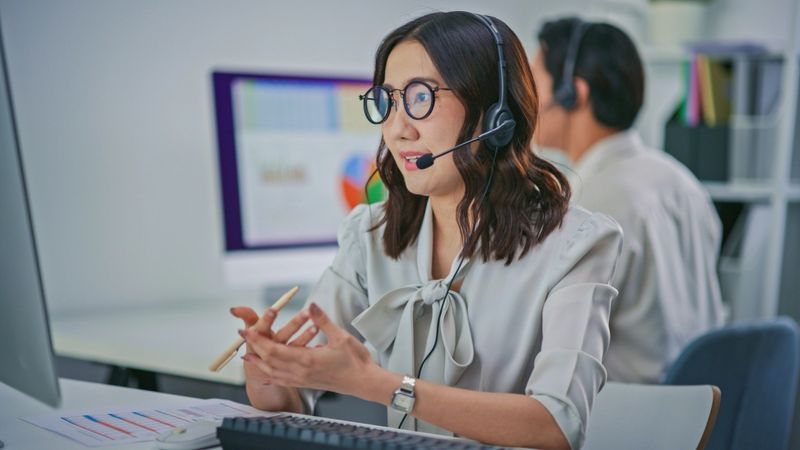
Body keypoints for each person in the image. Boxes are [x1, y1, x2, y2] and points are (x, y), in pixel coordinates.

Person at [231, 11, 622, 450]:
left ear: (494, 115)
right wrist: (271, 377)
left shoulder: (576, 245)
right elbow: (298, 392)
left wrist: (381, 384)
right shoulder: (370, 235)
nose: (397, 129)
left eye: (420, 97)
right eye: (388, 100)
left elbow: (556, 426)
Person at [531, 17, 725, 384]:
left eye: (532, 81)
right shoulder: (681, 180)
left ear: (574, 93)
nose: (522, 99)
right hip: (694, 410)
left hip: (625, 415)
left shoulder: (594, 202)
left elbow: (548, 335)